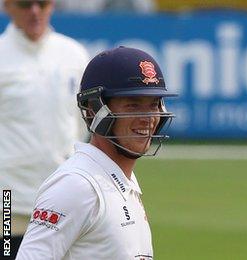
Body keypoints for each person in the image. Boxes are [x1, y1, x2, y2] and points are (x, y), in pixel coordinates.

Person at [16, 46, 177, 259]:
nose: (148, 117)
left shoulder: (122, 182)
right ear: (94, 110)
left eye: (154, 104)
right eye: (132, 105)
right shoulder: (77, 185)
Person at [0, 0, 89, 258]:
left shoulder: (73, 54)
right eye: (25, 4)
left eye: (42, 3)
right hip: (8, 199)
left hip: (62, 195)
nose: (35, 11)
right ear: (8, 6)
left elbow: (82, 121)